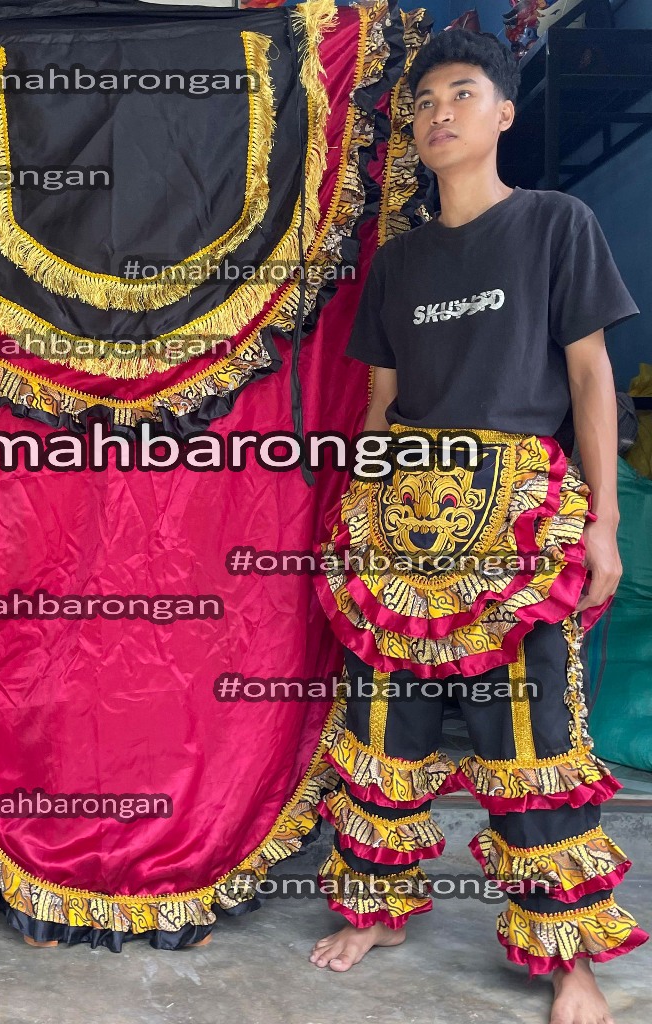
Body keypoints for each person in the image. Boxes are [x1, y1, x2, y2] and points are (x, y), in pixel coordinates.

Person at [308, 28, 647, 1024]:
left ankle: (568, 958)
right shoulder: (399, 261)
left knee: (533, 735)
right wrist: (356, 517)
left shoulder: (554, 223)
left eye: (462, 94)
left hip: (518, 516)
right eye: (421, 103)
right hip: (400, 512)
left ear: (502, 111)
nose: (439, 114)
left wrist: (604, 522)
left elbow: (589, 377)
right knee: (384, 724)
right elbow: (378, 404)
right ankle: (376, 906)